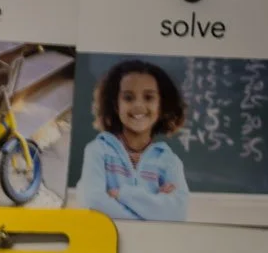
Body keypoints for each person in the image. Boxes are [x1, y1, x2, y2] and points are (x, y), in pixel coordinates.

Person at [74, 60, 190, 222]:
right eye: (128, 98)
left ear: (161, 106)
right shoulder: (98, 151)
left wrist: (122, 194)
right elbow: (93, 203)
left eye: (149, 97)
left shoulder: (169, 161)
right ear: (116, 105)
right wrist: (153, 209)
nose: (138, 106)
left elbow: (177, 214)